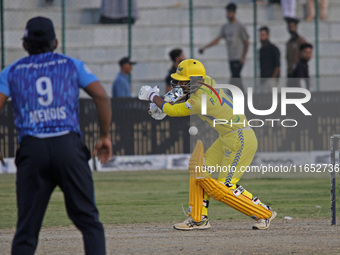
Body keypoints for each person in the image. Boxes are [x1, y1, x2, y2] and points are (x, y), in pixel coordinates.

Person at [0, 16, 112, 255]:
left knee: (26, 231)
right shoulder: (72, 65)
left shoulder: (11, 71)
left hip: (32, 150)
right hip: (68, 147)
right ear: (55, 43)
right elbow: (101, 96)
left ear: (24, 44)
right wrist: (104, 135)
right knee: (90, 222)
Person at [138, 59, 277, 230]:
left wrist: (153, 97)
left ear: (195, 81)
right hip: (227, 136)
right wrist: (162, 102)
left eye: (183, 80)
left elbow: (173, 111)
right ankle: (198, 218)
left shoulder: (202, 100)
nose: (180, 83)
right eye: (180, 80)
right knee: (198, 170)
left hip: (241, 138)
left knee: (224, 187)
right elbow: (182, 91)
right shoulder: (206, 81)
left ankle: (265, 213)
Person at [199, 2, 249, 92]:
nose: (228, 14)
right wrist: (205, 47)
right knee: (236, 78)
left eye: (230, 12)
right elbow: (217, 39)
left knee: (235, 77)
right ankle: (241, 96)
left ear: (234, 13)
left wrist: (244, 57)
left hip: (238, 57)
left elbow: (246, 42)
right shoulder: (225, 27)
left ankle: (229, 94)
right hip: (231, 57)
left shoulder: (240, 26)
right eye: (227, 12)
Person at [259, 26, 281, 93]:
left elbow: (277, 65)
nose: (261, 37)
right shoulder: (261, 50)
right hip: (263, 80)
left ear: (267, 36)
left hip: (271, 79)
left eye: (263, 35)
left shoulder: (273, 49)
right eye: (260, 35)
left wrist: (273, 79)